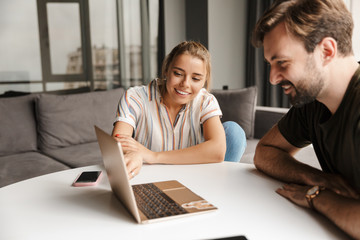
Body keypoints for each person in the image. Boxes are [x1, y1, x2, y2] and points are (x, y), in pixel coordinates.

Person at [252, 0, 360, 238]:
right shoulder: (313, 102)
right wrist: (317, 178)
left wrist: (317, 197)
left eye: (282, 62)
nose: (272, 79)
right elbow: (265, 152)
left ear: (326, 52)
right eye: (270, 64)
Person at [112, 41, 246, 179]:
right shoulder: (135, 97)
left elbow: (218, 150)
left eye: (195, 78)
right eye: (178, 73)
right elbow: (118, 142)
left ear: (204, 80)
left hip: (193, 177)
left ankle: (219, 191)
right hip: (149, 178)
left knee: (233, 131)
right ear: (166, 70)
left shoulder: (206, 100)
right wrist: (132, 153)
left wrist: (153, 156)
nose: (185, 84)